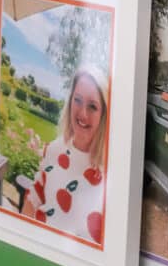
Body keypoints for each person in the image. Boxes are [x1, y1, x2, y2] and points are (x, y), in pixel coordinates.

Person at [21, 64, 108, 246]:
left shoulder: (110, 172)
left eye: (92, 106)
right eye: (77, 100)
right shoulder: (54, 149)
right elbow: (32, 199)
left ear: (103, 115)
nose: (83, 114)